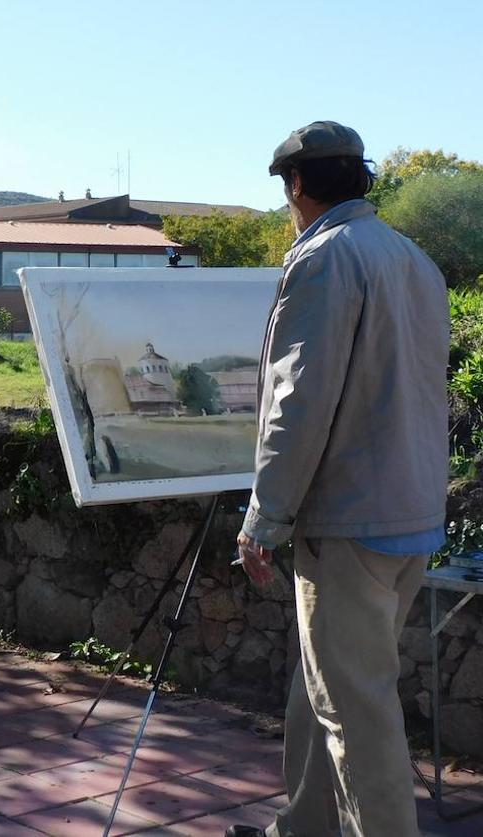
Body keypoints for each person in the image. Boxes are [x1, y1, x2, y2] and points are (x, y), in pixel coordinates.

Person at [227, 121, 449, 837]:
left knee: (355, 713)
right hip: (408, 513)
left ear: (295, 184)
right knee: (320, 690)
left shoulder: (324, 258)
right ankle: (304, 827)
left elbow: (300, 400)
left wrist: (265, 515)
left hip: (348, 518)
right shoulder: (412, 259)